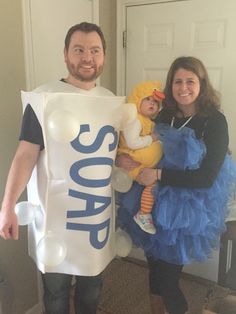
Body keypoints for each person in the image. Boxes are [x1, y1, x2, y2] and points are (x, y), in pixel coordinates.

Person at [0, 22, 116, 314]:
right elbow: (25, 155)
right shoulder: (43, 100)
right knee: (55, 294)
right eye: (79, 50)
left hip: (94, 217)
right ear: (66, 55)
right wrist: (8, 206)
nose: (87, 57)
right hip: (55, 220)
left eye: (94, 50)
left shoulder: (110, 103)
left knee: (91, 291)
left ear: (104, 57)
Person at [116, 56, 236, 314]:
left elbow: (206, 178)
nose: (183, 88)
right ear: (170, 86)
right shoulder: (165, 114)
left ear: (202, 84)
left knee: (168, 281)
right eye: (177, 81)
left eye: (190, 81)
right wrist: (123, 158)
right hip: (149, 201)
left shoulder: (214, 121)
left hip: (184, 210)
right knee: (156, 274)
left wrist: (158, 176)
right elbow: (143, 142)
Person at [118, 81, 164, 234]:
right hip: (133, 163)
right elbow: (133, 143)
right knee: (152, 185)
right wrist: (151, 138)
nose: (152, 104)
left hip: (140, 163)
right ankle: (143, 213)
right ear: (138, 100)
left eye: (156, 102)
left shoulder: (146, 120)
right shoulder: (135, 120)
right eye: (148, 99)